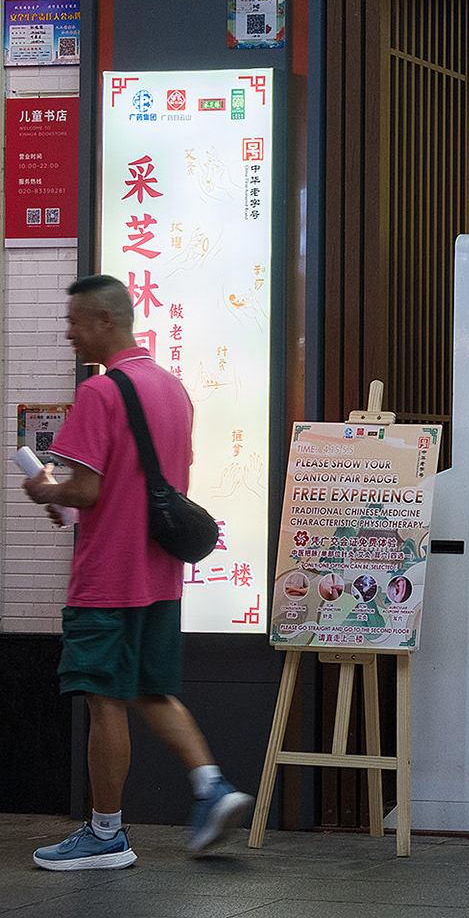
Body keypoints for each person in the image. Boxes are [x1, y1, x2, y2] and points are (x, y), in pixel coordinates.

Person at [20, 275, 255, 870]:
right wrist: (72, 498)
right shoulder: (173, 390)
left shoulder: (101, 392)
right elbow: (149, 482)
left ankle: (105, 835)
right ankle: (212, 787)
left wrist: (46, 489)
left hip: (106, 578)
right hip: (159, 575)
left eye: (74, 321)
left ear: (106, 320)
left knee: (105, 701)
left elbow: (90, 490)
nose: (68, 333)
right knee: (153, 691)